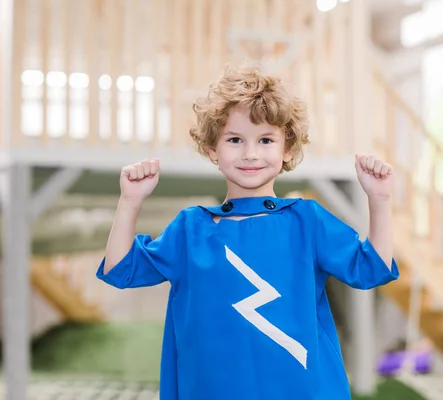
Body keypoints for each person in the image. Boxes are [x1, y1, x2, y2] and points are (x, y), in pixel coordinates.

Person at [96, 65, 399, 400]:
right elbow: (120, 269)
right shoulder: (190, 229)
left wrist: (379, 200)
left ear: (287, 149)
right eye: (235, 139)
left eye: (266, 140)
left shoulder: (306, 221)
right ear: (213, 149)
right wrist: (129, 201)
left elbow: (373, 268)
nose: (251, 153)